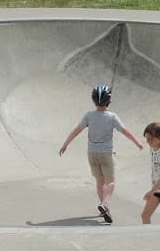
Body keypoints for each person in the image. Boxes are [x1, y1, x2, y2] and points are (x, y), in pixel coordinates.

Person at [58, 84, 142, 223]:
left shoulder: (89, 116)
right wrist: (137, 142)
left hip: (92, 153)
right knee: (111, 182)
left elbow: (77, 130)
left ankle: (104, 209)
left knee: (100, 182)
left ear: (93, 100)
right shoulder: (112, 117)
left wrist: (65, 144)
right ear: (109, 101)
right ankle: (104, 204)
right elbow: (125, 131)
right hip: (106, 154)